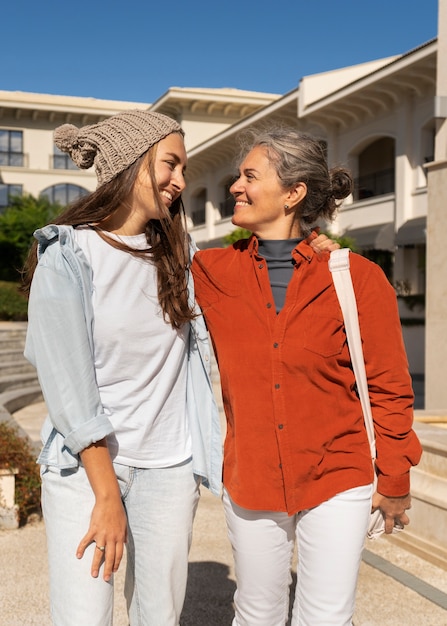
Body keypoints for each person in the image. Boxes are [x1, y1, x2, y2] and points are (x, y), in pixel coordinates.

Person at [191, 125, 423, 625]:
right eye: (237, 176)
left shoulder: (357, 278)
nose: (235, 186)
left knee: (327, 616)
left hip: (338, 474)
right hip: (251, 475)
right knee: (256, 612)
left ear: (293, 193)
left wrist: (396, 477)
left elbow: (390, 386)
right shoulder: (211, 273)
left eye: (250, 176)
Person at [21, 110, 223, 626]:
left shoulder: (180, 254)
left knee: (159, 618)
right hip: (85, 473)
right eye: (170, 165)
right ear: (132, 163)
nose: (180, 182)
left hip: (169, 467)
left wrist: (311, 244)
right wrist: (106, 492)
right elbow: (68, 387)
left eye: (184, 170)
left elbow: (252, 273)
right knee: (83, 618)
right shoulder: (67, 254)